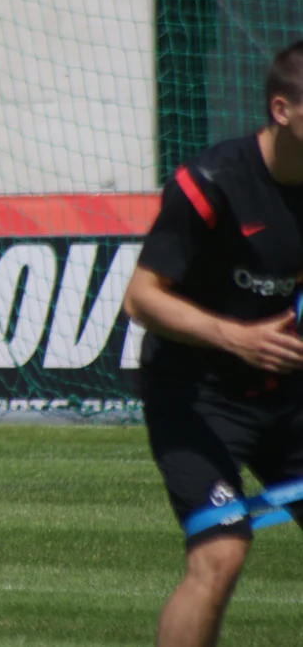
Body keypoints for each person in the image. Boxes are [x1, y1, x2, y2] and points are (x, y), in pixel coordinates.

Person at [123, 41, 303, 647]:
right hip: (196, 397)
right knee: (222, 550)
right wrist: (237, 338)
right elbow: (141, 299)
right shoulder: (211, 183)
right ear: (283, 110)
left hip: (289, 394)